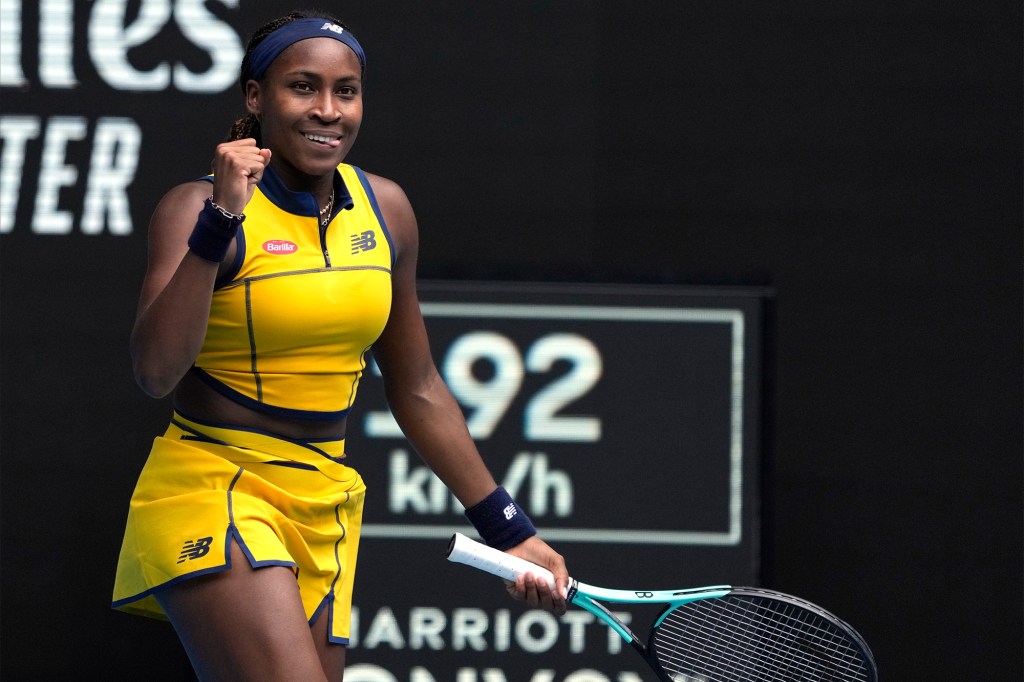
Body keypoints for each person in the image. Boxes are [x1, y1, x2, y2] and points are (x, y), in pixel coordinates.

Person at [111, 11, 569, 681]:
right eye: (303, 87)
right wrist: (220, 224)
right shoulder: (194, 209)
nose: (328, 110)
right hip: (216, 487)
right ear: (255, 97)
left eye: (346, 91)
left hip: (324, 496)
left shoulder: (387, 210)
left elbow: (417, 388)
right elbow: (155, 371)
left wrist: (510, 529)